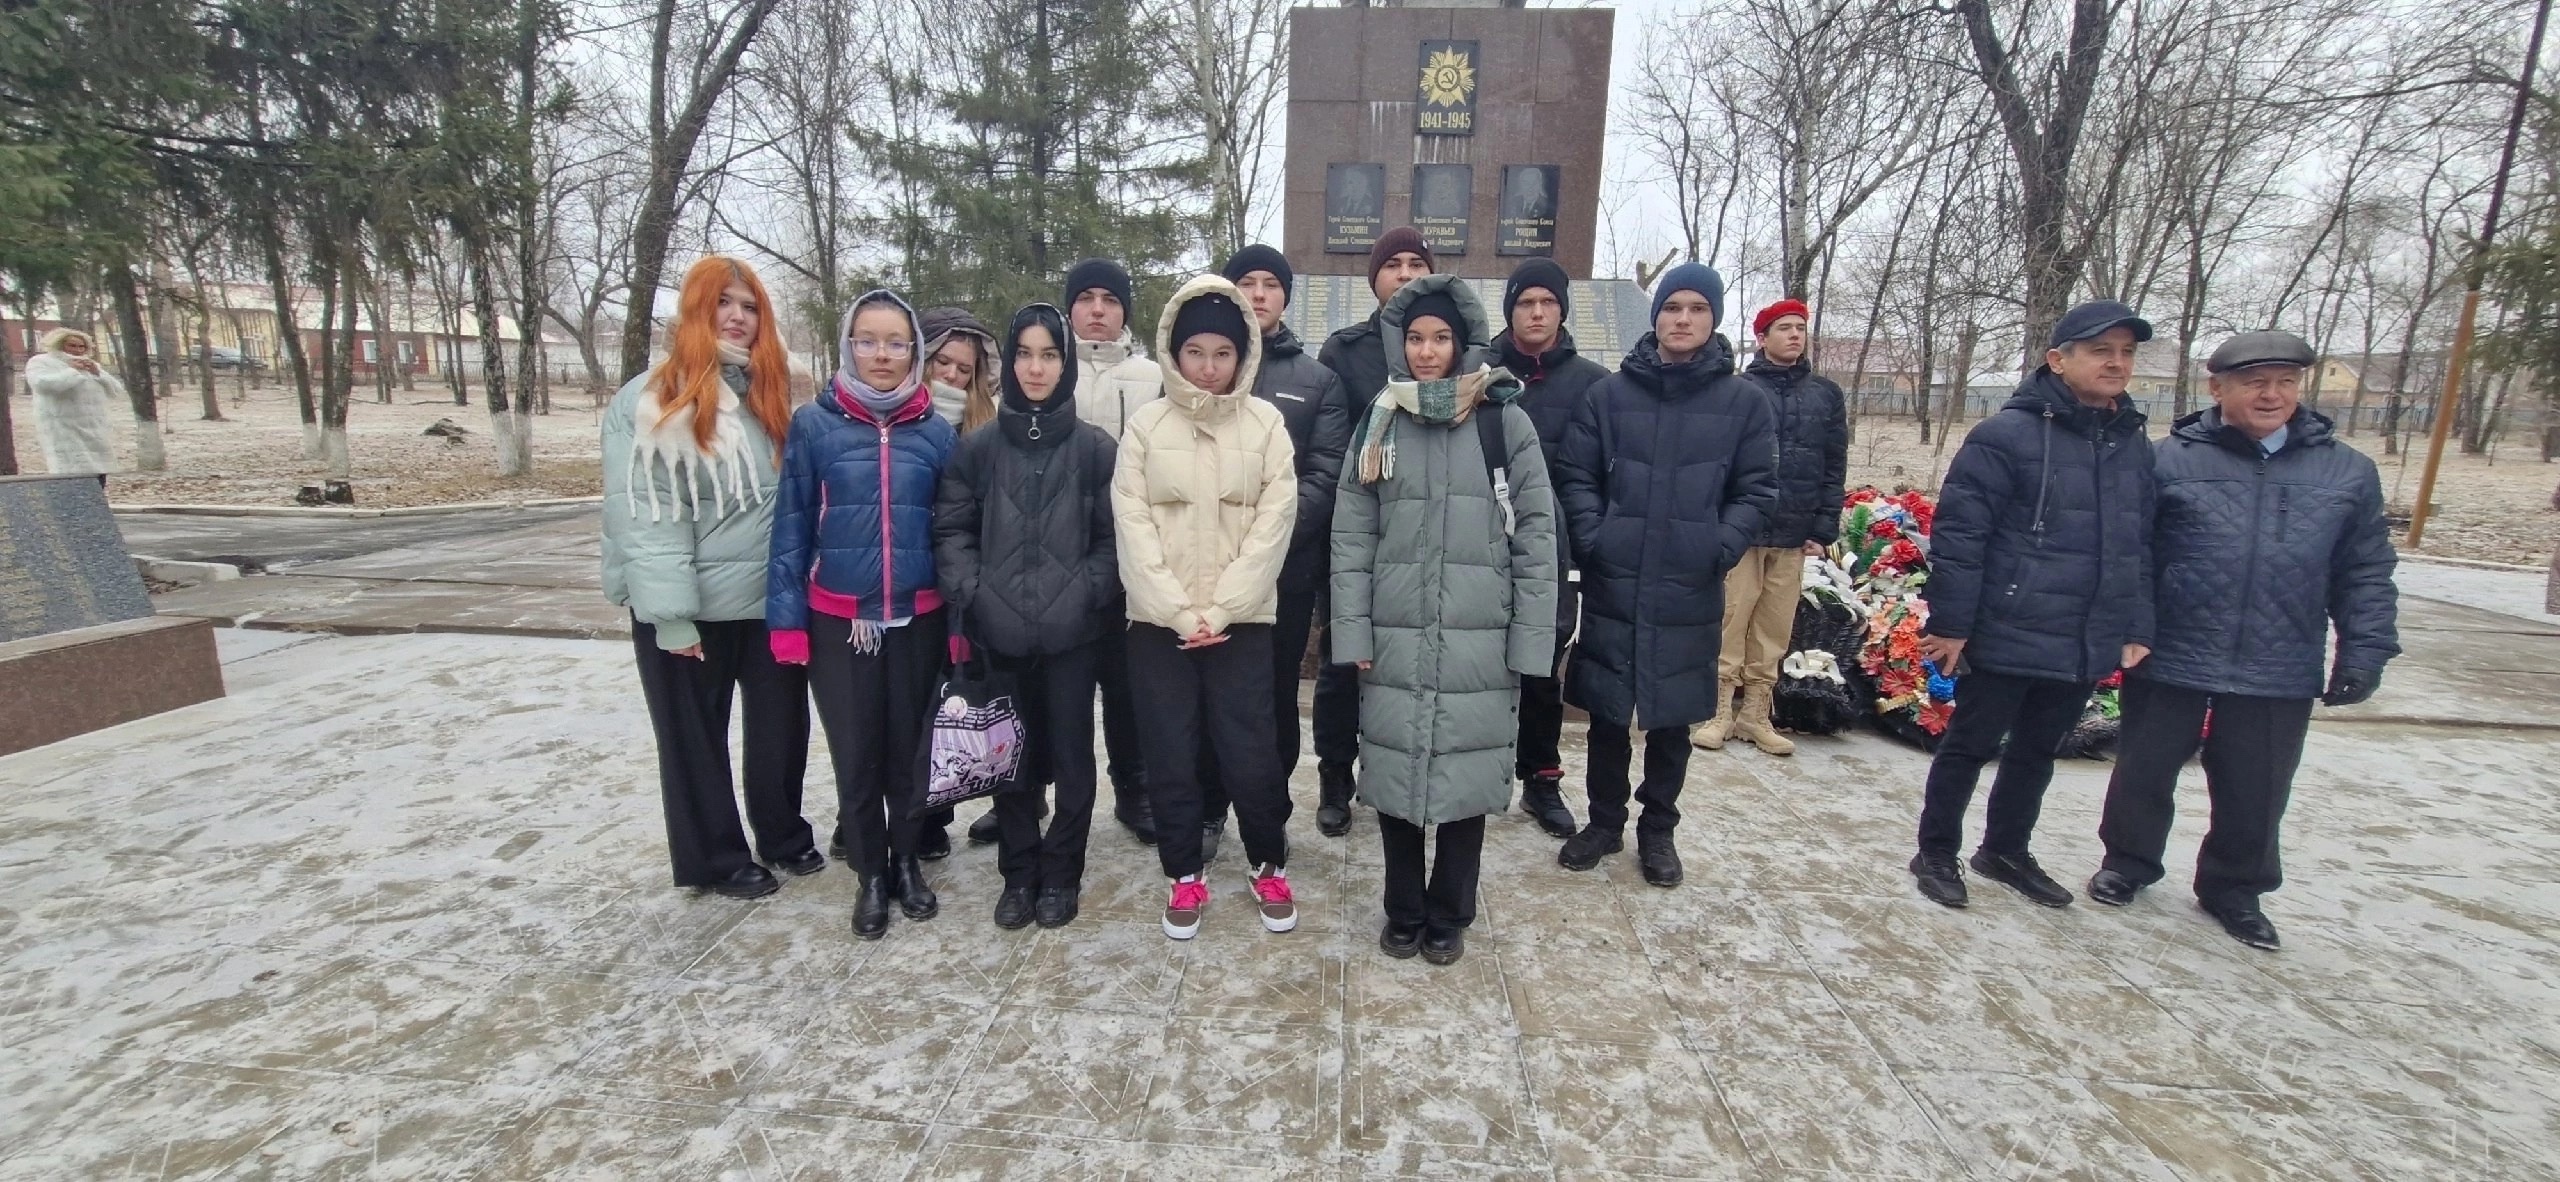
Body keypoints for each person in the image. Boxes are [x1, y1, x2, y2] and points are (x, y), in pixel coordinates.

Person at [2090, 330, 2398, 949]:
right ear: (2217, 388)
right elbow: (2133, 555)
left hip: (2278, 656)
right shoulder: (2168, 460)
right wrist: (2130, 627)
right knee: (2144, 768)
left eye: (2285, 381)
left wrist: (2365, 648)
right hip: (2174, 646)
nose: (2271, 394)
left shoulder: (2347, 472)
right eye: (2255, 382)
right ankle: (2128, 862)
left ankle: (2235, 889)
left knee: (2257, 784)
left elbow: (2364, 570)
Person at [1333, 274, 1557, 966]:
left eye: (1440, 339)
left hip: (1478, 636)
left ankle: (1450, 910)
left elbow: (1538, 535)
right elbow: (1352, 535)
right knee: (1397, 778)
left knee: (1465, 776)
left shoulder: (1501, 419)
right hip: (1397, 632)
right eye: (1416, 339)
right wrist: (1354, 630)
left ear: (1462, 345)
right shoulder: (1381, 418)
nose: (1428, 352)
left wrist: (1529, 641)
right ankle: (1403, 909)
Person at [1910, 299, 2157, 910]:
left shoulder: (2130, 443)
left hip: (2081, 629)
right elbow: (1962, 536)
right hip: (2007, 623)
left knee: (2038, 750)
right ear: (2057, 359)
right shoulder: (2005, 436)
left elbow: (2141, 541)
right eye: (2101, 351)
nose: (2116, 363)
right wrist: (1953, 624)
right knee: (1969, 746)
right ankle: (1936, 850)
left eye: (2125, 352)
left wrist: (2134, 621)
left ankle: (2005, 849)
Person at [1552, 263, 1777, 888]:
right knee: (1607, 712)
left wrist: (1719, 544)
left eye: (1696, 309)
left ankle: (1658, 830)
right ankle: (1602, 823)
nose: (1682, 319)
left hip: (1689, 582)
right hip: (1616, 577)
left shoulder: (1743, 403)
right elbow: (1577, 476)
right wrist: (1598, 538)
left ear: (1713, 319)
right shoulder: (1609, 396)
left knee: (1672, 718)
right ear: (1656, 319)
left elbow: (1757, 489)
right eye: (1671, 307)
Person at [601, 256, 819, 901]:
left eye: (750, 307)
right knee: (694, 738)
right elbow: (644, 514)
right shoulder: (651, 400)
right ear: (695, 310)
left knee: (782, 726)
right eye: (723, 303)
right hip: (686, 610)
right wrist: (669, 614)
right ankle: (716, 858)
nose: (738, 318)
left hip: (766, 601)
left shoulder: (769, 396)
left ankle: (782, 833)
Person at [768, 289, 960, 941]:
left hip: (919, 616)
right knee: (858, 754)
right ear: (849, 346)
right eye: (869, 341)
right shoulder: (814, 426)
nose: (882, 354)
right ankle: (870, 875)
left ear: (915, 351)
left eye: (896, 342)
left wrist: (960, 627)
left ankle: (907, 862)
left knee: (911, 753)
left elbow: (953, 535)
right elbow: (791, 527)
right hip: (838, 621)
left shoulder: (936, 431)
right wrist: (787, 621)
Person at [1112, 275, 1299, 941]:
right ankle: (1184, 873)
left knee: (1249, 751)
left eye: (1224, 351)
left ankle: (1267, 860)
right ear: (1174, 352)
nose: (1210, 367)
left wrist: (1219, 612)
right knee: (1171, 749)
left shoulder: (1268, 425)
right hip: (1158, 628)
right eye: (1197, 352)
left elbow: (1273, 527)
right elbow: (1131, 524)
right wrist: (1175, 611)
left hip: (1241, 625)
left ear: (1244, 352)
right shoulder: (1146, 426)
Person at [933, 303, 1121, 931]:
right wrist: (976, 592)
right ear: (1008, 363)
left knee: (1071, 759)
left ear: (1065, 364)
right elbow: (952, 528)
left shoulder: (1096, 448)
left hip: (1073, 635)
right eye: (1024, 354)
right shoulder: (979, 448)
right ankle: (1018, 873)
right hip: (1002, 634)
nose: (1035, 368)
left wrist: (1089, 593)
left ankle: (1061, 874)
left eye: (1049, 355)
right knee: (1007, 760)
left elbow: (1112, 538)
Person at [1219, 244, 1352, 842]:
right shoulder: (1200, 366)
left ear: (1285, 297)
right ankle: (1207, 809)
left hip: (1285, 572)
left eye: (1271, 283)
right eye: (1246, 281)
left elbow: (1325, 474)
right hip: (1209, 569)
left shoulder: (1317, 380)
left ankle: (1267, 816)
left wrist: (1265, 543)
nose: (1258, 293)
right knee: (1212, 693)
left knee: (1273, 696)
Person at [1312, 228, 1436, 831]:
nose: (1406, 274)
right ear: (1374, 277)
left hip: (1427, 534)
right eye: (1394, 264)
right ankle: (1335, 773)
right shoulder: (1345, 351)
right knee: (1341, 660)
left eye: (1417, 263)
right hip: (1359, 534)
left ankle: (1400, 777)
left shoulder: (1458, 351)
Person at [1695, 298, 1849, 756]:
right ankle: (1717, 709)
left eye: (1800, 327)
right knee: (1730, 618)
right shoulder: (1740, 390)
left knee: (1774, 627)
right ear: (1762, 338)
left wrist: (1823, 525)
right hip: (1743, 530)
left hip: (1793, 529)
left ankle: (1756, 714)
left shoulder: (1825, 394)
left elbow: (1832, 462)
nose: (1795, 335)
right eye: (1784, 328)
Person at [1493, 257, 1609, 840]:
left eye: (1547, 302)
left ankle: (1540, 776)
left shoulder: (1591, 383)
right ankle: (1478, 770)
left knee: (1541, 662)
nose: (1535, 313)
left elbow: (1597, 470)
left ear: (1562, 310)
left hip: (1553, 548)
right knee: (1484, 662)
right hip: (1483, 545)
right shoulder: (1479, 370)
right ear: (1509, 309)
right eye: (1523, 302)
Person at [1062, 257, 1162, 845]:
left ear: (1125, 311)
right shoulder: (1045, 369)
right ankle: (1032, 787)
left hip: (1131, 557)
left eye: (1110, 300)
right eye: (1086, 299)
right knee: (1053, 686)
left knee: (1128, 688)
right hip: (1058, 557)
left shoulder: (1152, 377)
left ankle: (1134, 788)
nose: (1097, 310)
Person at [23, 328, 124, 485]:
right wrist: (73, 371)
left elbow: (116, 391)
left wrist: (98, 373)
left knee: (98, 473)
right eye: (72, 345)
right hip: (63, 426)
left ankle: (96, 506)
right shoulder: (41, 361)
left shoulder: (91, 364)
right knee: (73, 473)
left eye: (81, 346)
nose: (77, 350)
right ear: (59, 344)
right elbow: (42, 385)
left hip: (94, 428)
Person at [920, 305, 998, 436]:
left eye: (964, 370)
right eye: (943, 362)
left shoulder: (991, 427)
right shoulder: (889, 415)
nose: (951, 375)